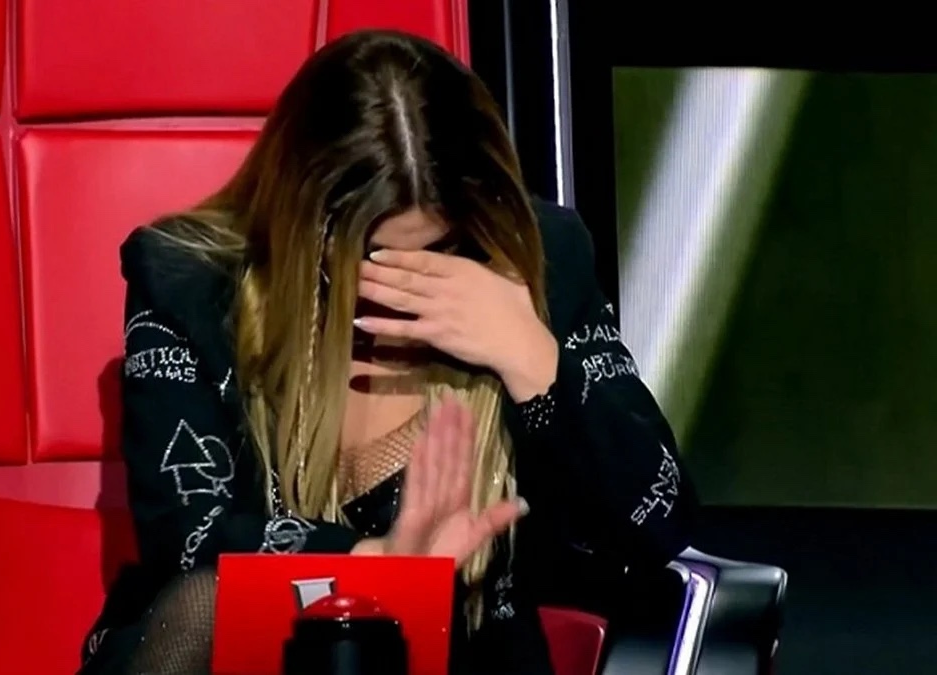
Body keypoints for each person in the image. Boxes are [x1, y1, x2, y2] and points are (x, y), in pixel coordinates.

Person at [79, 29, 696, 675]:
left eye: (442, 252)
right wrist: (378, 565)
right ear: (300, 226)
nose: (404, 288)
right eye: (371, 259)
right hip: (246, 659)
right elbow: (186, 539)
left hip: (455, 657)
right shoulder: (189, 280)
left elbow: (656, 522)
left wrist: (531, 359)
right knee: (203, 603)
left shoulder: (537, 261)